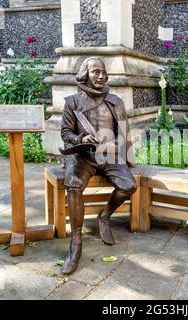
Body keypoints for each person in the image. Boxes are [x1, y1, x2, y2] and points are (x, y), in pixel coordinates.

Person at [60, 57, 137, 275]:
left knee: (129, 185)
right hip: (83, 156)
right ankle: (76, 242)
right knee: (73, 185)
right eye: (95, 72)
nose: (101, 76)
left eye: (103, 72)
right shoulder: (73, 102)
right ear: (85, 74)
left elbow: (124, 132)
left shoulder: (115, 101)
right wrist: (81, 139)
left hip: (109, 156)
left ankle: (104, 216)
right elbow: (66, 133)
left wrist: (125, 155)